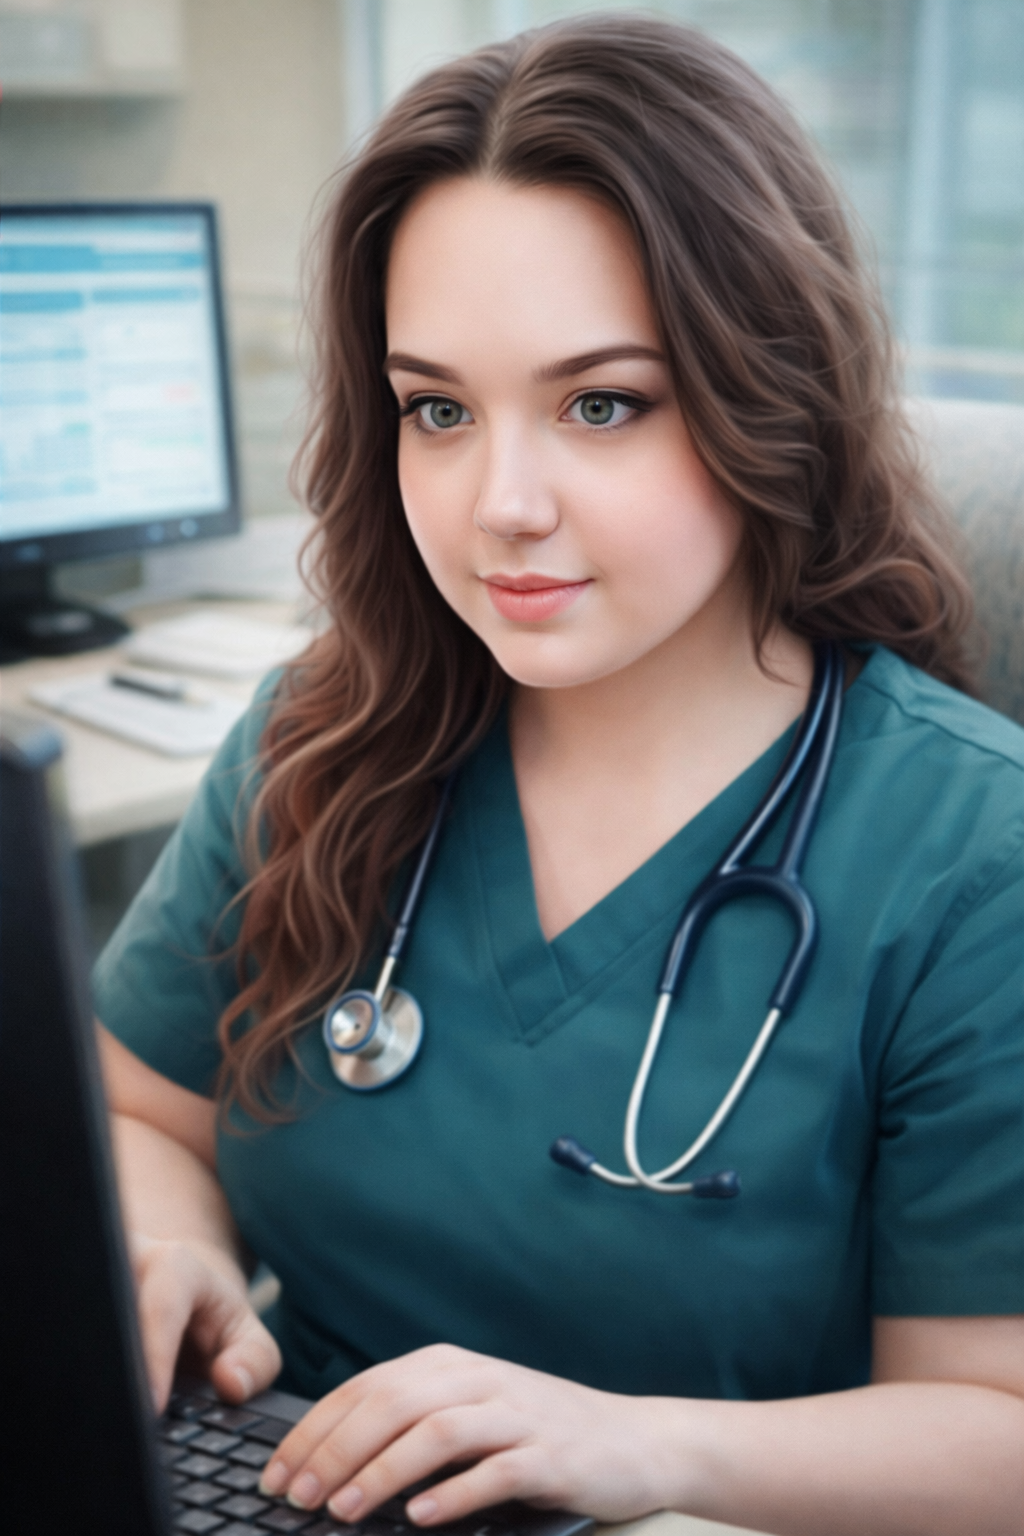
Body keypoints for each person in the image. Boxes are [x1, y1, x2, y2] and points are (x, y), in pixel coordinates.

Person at [94, 16, 1024, 1535]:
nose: (497, 506)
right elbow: (135, 1115)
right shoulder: (319, 743)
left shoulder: (974, 860)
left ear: (765, 400)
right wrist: (168, 1245)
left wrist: (637, 1448)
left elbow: (1003, 1433)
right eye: (437, 410)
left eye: (603, 404)